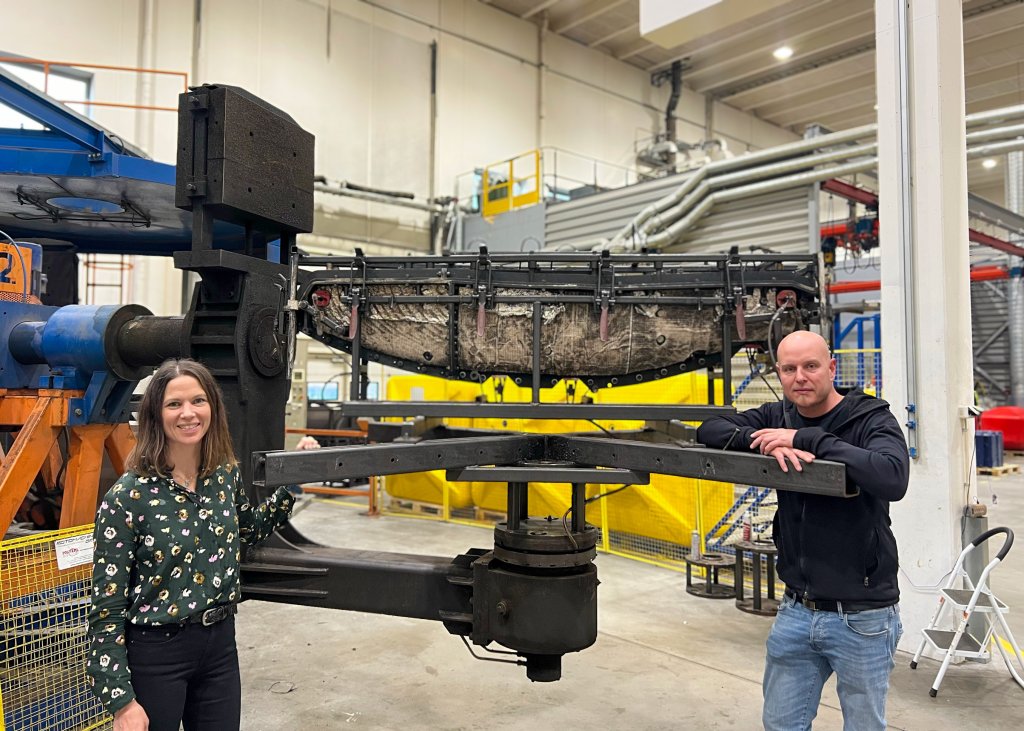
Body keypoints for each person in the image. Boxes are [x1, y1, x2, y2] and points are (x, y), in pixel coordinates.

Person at [696, 331, 910, 731]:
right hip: (797, 609)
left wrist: (806, 438)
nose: (800, 377)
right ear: (779, 373)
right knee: (781, 724)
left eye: (811, 366)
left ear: (831, 368)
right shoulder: (778, 416)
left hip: (862, 615)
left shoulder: (868, 417)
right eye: (789, 369)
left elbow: (893, 476)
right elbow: (709, 429)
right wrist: (762, 441)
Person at [86, 358, 297, 731]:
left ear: (213, 408)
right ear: (155, 414)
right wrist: (120, 701)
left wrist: (292, 480)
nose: (188, 413)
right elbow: (107, 606)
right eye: (174, 404)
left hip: (219, 645)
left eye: (198, 401)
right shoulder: (128, 496)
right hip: (157, 651)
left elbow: (248, 528)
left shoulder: (224, 474)